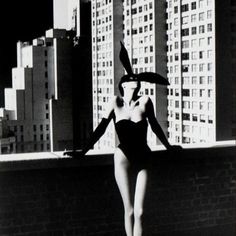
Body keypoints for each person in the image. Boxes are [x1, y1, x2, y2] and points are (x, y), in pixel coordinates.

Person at [64, 42, 181, 236]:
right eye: (130, 78)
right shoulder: (115, 102)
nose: (135, 80)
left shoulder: (145, 102)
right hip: (122, 159)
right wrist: (82, 151)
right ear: (123, 84)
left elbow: (155, 126)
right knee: (130, 210)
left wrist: (169, 147)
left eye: (137, 79)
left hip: (144, 157)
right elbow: (100, 129)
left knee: (141, 211)